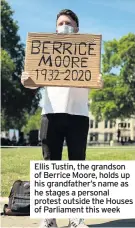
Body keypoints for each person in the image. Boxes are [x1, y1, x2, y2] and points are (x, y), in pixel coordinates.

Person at [21, 9, 103, 228]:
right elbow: (31, 84)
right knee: (50, 167)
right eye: (60, 23)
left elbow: (94, 80)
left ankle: (76, 217)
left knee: (77, 166)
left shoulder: (88, 53)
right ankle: (49, 217)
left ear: (77, 28)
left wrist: (99, 80)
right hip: (50, 113)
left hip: (78, 115)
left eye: (68, 22)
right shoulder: (46, 51)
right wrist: (26, 79)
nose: (63, 25)